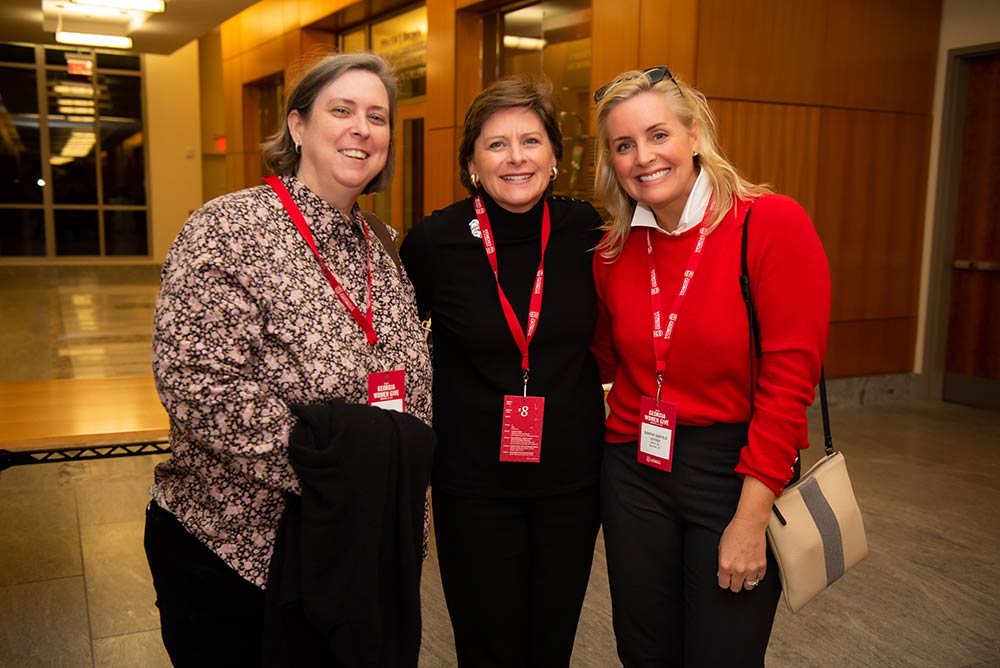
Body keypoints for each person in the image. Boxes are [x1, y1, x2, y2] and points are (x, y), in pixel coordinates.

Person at [144, 52, 433, 666]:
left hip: (350, 551)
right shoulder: (228, 227)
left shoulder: (379, 244)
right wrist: (355, 469)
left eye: (377, 116)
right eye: (342, 110)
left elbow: (409, 383)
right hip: (239, 556)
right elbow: (200, 386)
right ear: (298, 126)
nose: (362, 128)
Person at [590, 66, 831, 667]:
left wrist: (752, 518)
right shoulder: (614, 250)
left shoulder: (769, 224)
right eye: (624, 145)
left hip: (736, 473)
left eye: (657, 135)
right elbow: (596, 358)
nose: (643, 157)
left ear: (694, 135)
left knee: (722, 654)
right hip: (634, 470)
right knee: (644, 652)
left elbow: (788, 386)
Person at [398, 75, 605, 667]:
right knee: (486, 643)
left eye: (531, 141)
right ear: (471, 164)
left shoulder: (586, 232)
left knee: (553, 639)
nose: (516, 158)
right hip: (472, 481)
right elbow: (398, 351)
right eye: (496, 144)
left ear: (556, 160)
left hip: (571, 478)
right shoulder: (435, 242)